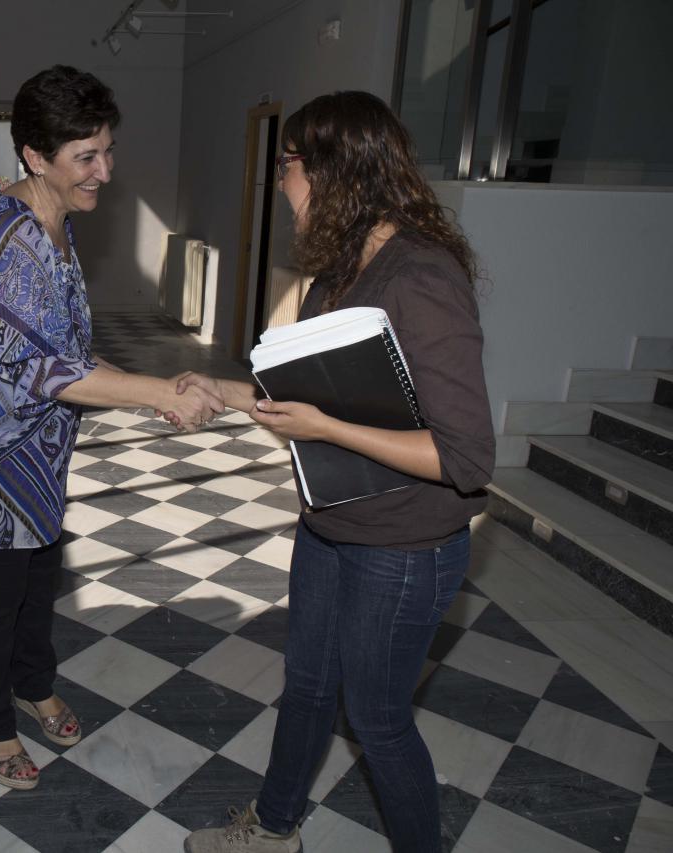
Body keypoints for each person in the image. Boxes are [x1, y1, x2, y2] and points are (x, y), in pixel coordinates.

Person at [182, 91, 494, 853]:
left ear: (330, 169)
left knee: (378, 720)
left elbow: (465, 457)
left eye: (288, 163)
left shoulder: (420, 277)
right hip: (332, 523)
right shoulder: (342, 274)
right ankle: (274, 827)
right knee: (310, 686)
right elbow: (312, 398)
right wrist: (224, 391)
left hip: (406, 547)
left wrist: (326, 428)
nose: (281, 181)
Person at [0, 65, 222, 790]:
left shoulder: (55, 223)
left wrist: (156, 389)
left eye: (107, 151)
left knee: (37, 576)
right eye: (86, 156)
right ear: (35, 157)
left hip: (33, 453)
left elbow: (64, 347)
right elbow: (41, 370)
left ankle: (33, 683)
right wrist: (158, 394)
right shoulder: (13, 239)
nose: (105, 171)